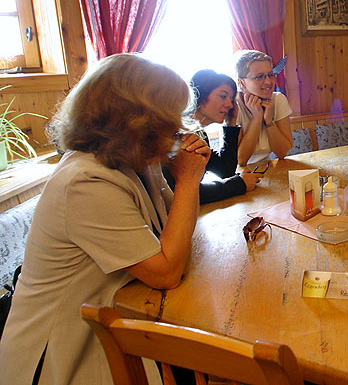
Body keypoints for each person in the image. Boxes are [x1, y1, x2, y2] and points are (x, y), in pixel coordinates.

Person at [0, 54, 210, 384]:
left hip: (116, 321)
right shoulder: (84, 181)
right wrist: (187, 180)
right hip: (65, 351)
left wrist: (185, 178)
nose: (180, 128)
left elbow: (177, 222)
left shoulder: (137, 160)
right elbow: (166, 272)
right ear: (138, 120)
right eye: (170, 116)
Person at [164, 69, 262, 204]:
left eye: (231, 99)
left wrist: (230, 124)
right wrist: (239, 184)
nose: (229, 105)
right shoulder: (178, 133)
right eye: (223, 96)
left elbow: (225, 170)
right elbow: (184, 192)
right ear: (200, 94)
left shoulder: (198, 132)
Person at [234, 50, 293, 165]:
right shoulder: (233, 106)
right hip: (237, 173)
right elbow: (240, 160)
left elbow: (282, 152)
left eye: (270, 75)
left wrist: (269, 122)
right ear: (242, 83)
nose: (268, 82)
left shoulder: (278, 100)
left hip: (267, 167)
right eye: (259, 77)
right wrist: (257, 118)